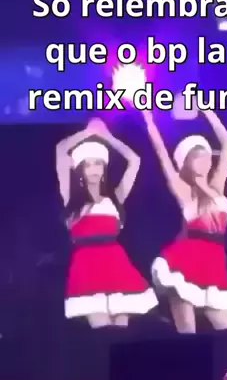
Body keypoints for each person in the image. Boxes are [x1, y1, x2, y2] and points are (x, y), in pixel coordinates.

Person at [56, 118, 158, 328]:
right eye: (88, 164)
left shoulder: (115, 198)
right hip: (86, 268)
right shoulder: (72, 198)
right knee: (102, 330)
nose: (93, 169)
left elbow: (134, 160)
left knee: (121, 330)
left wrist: (107, 137)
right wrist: (88, 133)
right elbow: (61, 149)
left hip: (117, 266)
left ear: (104, 167)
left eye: (98, 163)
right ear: (80, 169)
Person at [143, 108, 227, 333]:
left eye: (206, 155)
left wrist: (207, 110)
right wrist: (148, 118)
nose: (204, 160)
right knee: (186, 330)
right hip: (186, 260)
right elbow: (161, 152)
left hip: (214, 262)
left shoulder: (217, 186)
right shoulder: (184, 190)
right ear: (186, 163)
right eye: (197, 156)